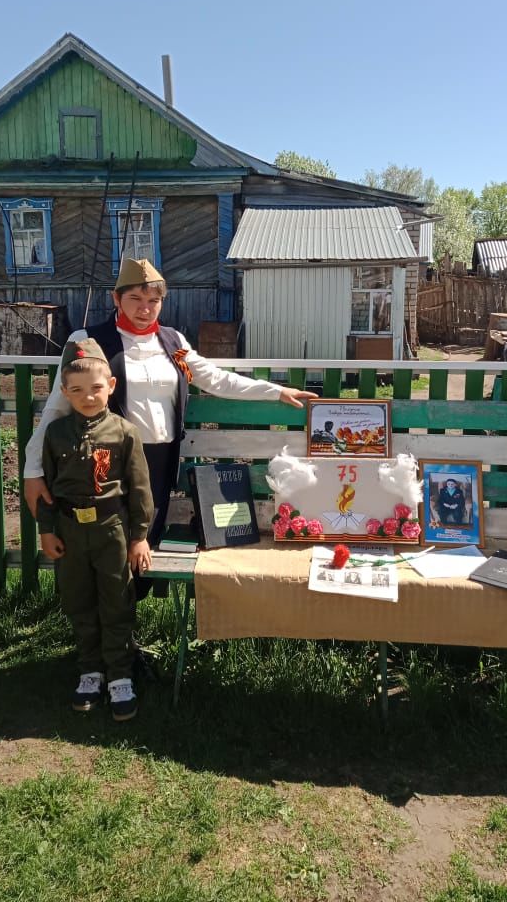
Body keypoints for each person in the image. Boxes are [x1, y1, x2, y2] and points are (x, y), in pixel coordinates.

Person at [24, 257, 313, 576]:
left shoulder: (173, 345)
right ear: (116, 299)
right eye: (135, 298)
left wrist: (275, 391)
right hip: (107, 459)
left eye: (153, 300)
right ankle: (106, 617)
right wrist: (33, 468)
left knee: (145, 542)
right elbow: (57, 408)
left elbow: (215, 379)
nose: (144, 308)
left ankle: (130, 613)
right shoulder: (88, 341)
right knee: (110, 543)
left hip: (160, 461)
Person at [36, 338, 154, 721]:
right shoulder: (55, 435)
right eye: (77, 390)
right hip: (70, 531)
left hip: (111, 531)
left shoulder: (124, 432)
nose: (88, 397)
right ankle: (90, 671)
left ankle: (120, 675)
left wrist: (138, 536)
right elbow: (48, 489)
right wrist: (47, 530)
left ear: (111, 387)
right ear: (65, 392)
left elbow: (139, 489)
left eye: (96, 388)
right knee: (78, 600)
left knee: (117, 601)